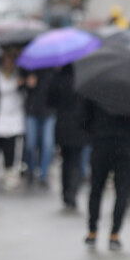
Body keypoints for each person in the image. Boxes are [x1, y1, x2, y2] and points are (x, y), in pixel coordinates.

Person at [82, 99, 130, 250]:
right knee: (122, 191)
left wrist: (94, 131)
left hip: (101, 143)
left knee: (96, 189)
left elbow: (84, 117)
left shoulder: (97, 91)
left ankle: (92, 231)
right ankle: (114, 234)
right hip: (125, 145)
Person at [48, 64, 89, 210]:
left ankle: (66, 192)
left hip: (63, 124)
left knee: (66, 160)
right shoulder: (83, 80)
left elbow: (50, 101)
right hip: (80, 125)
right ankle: (72, 191)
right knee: (76, 160)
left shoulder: (57, 79)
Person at [0, 51, 25, 190]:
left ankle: (10, 173)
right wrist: (14, 85)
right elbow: (0, 89)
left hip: (14, 118)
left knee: (11, 147)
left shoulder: (18, 75)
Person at [21, 68, 56, 188]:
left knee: (47, 144)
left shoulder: (53, 71)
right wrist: (27, 84)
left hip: (49, 111)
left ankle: (43, 174)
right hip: (32, 110)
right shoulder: (28, 69)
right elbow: (20, 87)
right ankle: (31, 170)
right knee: (30, 143)